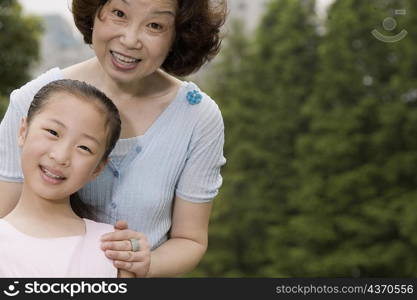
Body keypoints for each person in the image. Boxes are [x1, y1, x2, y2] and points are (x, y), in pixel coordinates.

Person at [0, 0, 227, 277]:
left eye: (155, 25)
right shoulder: (35, 99)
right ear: (94, 12)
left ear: (177, 35)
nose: (130, 40)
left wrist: (143, 264)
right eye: (119, 14)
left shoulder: (198, 117)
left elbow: (190, 240)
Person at [0, 79, 128, 277]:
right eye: (53, 132)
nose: (60, 157)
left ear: (98, 168)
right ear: (23, 131)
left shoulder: (112, 248)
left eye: (84, 148)